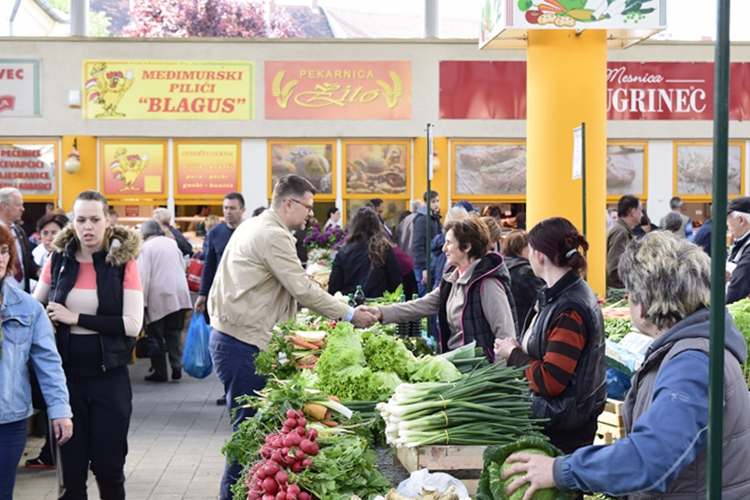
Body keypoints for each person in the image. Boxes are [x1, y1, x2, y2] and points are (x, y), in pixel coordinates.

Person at [502, 231, 750, 499]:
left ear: (641, 305)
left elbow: (650, 457)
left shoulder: (692, 362)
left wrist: (560, 470)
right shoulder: (695, 347)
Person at [207, 175, 376, 500]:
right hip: (242, 343)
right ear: (289, 203)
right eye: (308, 207)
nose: (310, 215)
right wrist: (350, 314)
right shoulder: (272, 234)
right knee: (248, 432)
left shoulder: (254, 225)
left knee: (251, 430)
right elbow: (301, 289)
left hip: (236, 337)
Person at [33, 190, 143, 500]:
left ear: (108, 221)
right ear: (73, 222)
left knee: (109, 469)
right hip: (66, 380)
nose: (88, 227)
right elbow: (34, 308)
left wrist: (73, 317)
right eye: (81, 220)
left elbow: (133, 324)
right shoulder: (58, 260)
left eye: (95, 219)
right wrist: (46, 317)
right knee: (71, 475)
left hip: (110, 379)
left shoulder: (123, 262)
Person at [494, 217, 606, 455]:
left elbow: (551, 381)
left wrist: (512, 354)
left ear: (540, 256)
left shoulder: (569, 308)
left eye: (531, 250)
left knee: (562, 492)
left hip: (563, 428)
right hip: (560, 420)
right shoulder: (561, 294)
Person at [364, 217, 517, 360]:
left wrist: (497, 377)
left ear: (467, 246)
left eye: (449, 243)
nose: (444, 248)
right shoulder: (452, 278)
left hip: (480, 373)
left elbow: (505, 334)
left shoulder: (488, 284)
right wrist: (381, 312)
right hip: (459, 368)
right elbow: (425, 304)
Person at [0, 224, 73, 496]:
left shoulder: (27, 307)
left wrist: (60, 409)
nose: (1, 257)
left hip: (9, 420)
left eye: (5, 251)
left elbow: (49, 364)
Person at [138, 220, 192, 382]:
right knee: (174, 332)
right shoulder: (171, 244)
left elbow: (143, 276)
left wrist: (141, 301)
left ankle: (160, 372)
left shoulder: (146, 248)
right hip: (179, 293)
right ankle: (176, 365)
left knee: (155, 335)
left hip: (158, 295)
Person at [328, 206, 401, 298]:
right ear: (376, 224)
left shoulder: (344, 251)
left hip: (353, 305)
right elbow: (396, 281)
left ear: (353, 225)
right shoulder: (384, 248)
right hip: (379, 305)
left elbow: (334, 286)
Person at [194, 192, 247, 317]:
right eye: (225, 208)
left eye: (232, 208)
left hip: (245, 294)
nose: (228, 212)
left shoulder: (251, 231)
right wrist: (203, 294)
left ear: (243, 210)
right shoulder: (215, 232)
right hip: (221, 293)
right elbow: (209, 265)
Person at [502, 229, 546, 327]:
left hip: (508, 326)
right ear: (522, 248)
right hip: (524, 326)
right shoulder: (526, 272)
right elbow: (543, 303)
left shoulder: (501, 267)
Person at [0, 187, 39, 293]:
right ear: (4, 206)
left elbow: (27, 262)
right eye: (18, 205)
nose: (23, 209)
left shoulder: (19, 232)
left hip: (21, 295)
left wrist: (39, 271)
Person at [606, 195, 642, 290]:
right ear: (633, 212)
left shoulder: (620, 229)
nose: (642, 215)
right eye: (640, 211)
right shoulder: (621, 232)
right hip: (616, 291)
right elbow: (614, 269)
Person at [412, 190, 442, 296]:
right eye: (433, 201)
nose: (436, 204)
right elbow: (418, 245)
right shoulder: (422, 220)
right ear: (426, 203)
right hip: (424, 266)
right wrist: (424, 268)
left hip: (432, 264)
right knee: (425, 300)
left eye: (438, 201)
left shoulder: (435, 218)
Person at [726, 196, 750, 304]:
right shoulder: (741, 242)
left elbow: (737, 287)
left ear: (741, 220)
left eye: (728, 219)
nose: (727, 224)